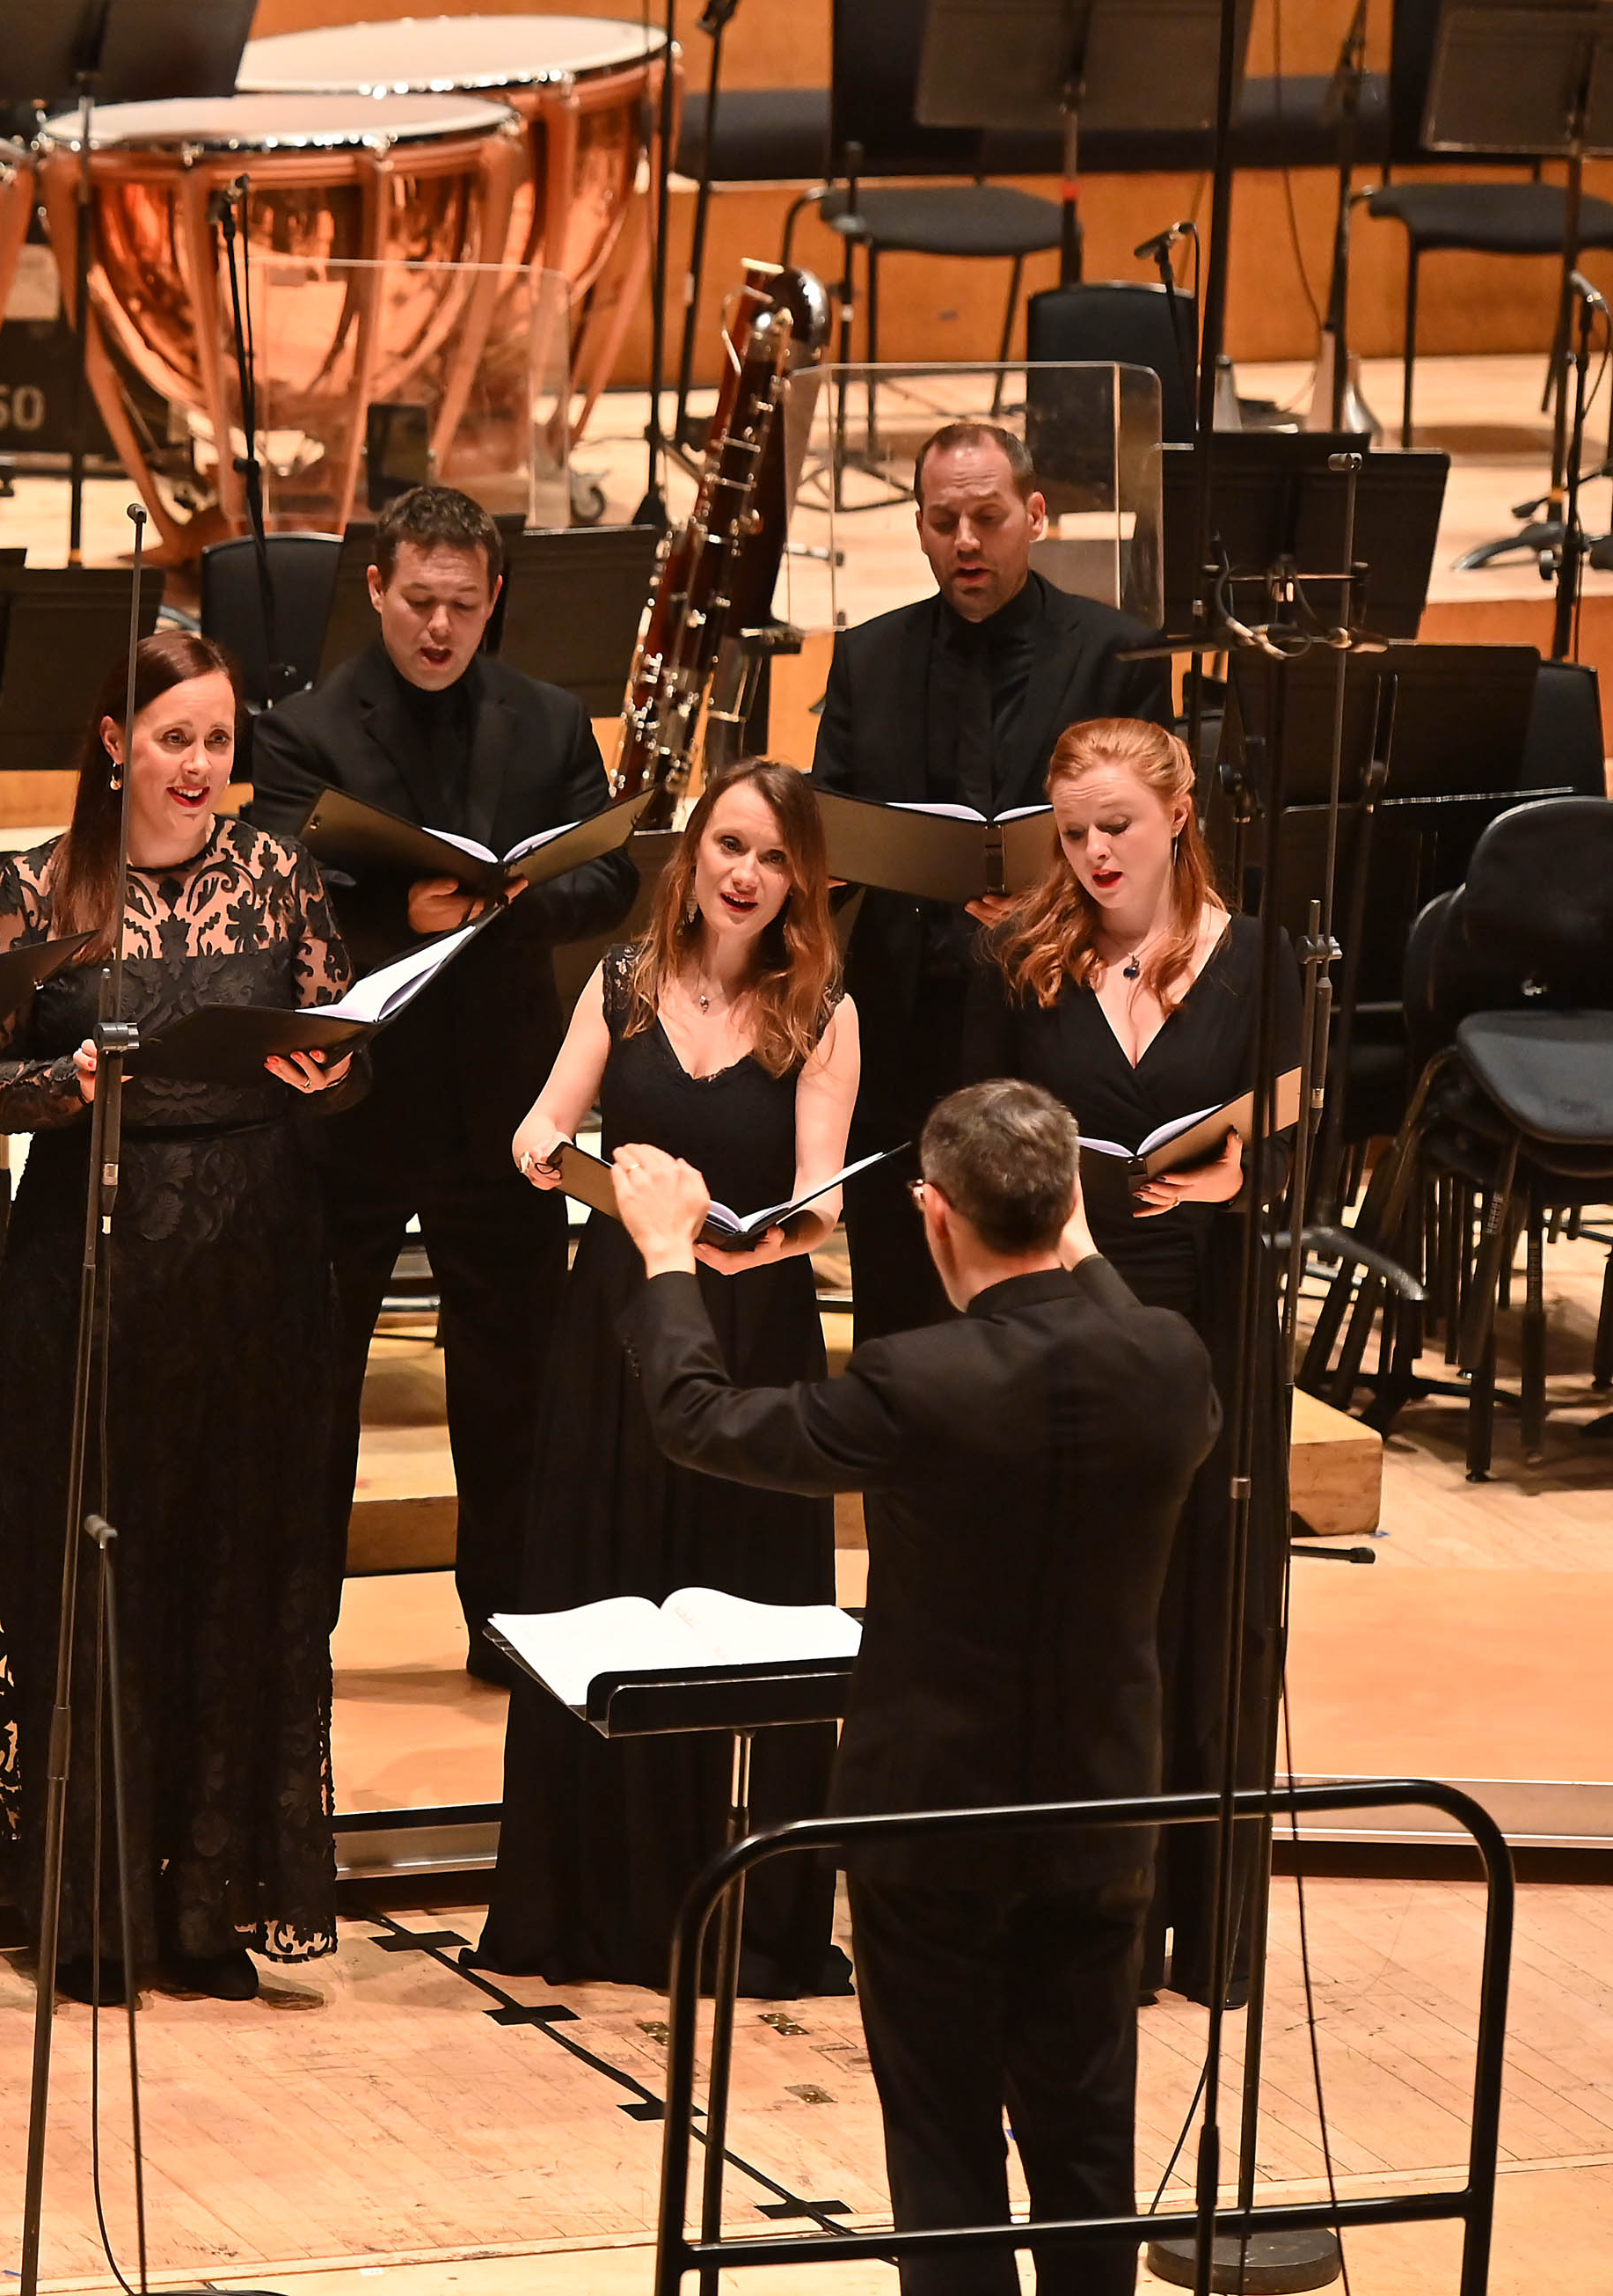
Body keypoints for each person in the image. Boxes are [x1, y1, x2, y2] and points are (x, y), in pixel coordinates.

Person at [610, 1081, 1215, 2296]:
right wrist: (1079, 1241)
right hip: (1098, 1813)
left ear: (934, 1213)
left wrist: (667, 1255)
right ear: (1067, 1203)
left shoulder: (916, 1381)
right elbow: (1099, 1305)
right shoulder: (1169, 1361)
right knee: (1088, 2152)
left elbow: (697, 1418)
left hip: (928, 1822)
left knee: (945, 2157)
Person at [0, 630, 361, 2003]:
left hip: (254, 1261)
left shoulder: (282, 878)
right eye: (174, 739)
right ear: (115, 740)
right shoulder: (38, 887)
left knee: (232, 1566)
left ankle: (206, 1897)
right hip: (94, 1264)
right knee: (95, 1567)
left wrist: (323, 1075)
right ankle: (93, 1908)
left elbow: (347, 1058)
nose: (198, 768)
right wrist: (60, 1080)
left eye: (219, 743)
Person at [480, 758, 860, 1994]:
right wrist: (548, 1156)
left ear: (801, 878)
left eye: (771, 857)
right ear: (691, 855)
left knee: (735, 1594)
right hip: (621, 1321)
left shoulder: (822, 1010)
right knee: (608, 1579)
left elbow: (822, 1205)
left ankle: (744, 1908)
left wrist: (744, 1239)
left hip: (750, 1329)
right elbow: (542, 1123)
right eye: (728, 847)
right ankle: (583, 1904)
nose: (746, 874)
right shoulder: (622, 979)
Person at [244, 483, 631, 1671]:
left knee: (511, 1378)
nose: (440, 626)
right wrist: (389, 907)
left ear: (494, 597)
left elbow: (607, 878)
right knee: (314, 1384)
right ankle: (294, 1627)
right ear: (376, 589)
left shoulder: (550, 718)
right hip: (353, 1101)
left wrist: (516, 899)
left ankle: (503, 1621)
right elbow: (274, 880)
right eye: (419, 600)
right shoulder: (302, 728)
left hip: (505, 1100)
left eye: (464, 604)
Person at [965, 718, 1296, 2004]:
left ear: (1178, 815)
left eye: (1117, 826)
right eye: (1075, 834)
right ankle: (1082, 1925)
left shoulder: (1259, 956)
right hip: (1070, 1321)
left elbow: (1302, 1093)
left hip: (1207, 1310)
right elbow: (978, 1131)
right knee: (1087, 1623)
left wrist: (1240, 1158)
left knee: (1209, 1613)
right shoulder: (1029, 961)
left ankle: (1206, 1937)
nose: (1096, 854)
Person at [811, 421, 1173, 1342]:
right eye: (942, 521)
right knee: (900, 1292)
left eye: (987, 516)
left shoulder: (1116, 653)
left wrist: (1054, 885)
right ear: (920, 526)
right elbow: (832, 835)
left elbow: (1160, 841)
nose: (964, 541)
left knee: (1047, 1302)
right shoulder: (868, 657)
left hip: (1056, 1013)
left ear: (1034, 515)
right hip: (905, 1026)